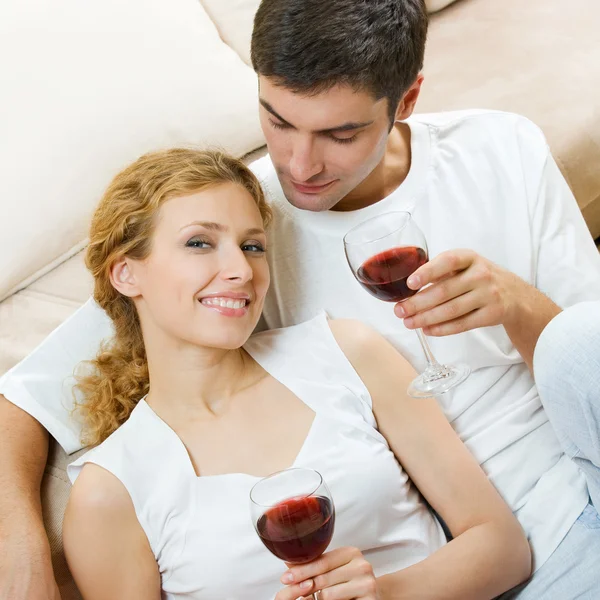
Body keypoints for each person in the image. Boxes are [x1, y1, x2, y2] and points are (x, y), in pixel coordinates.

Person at [0, 0, 599, 598]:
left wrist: (519, 307)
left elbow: (586, 359)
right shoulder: (243, 215)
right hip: (523, 554)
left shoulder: (501, 147)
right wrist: (22, 566)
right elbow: (20, 402)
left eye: (341, 134)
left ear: (406, 101)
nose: (300, 164)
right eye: (278, 122)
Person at [59, 147, 531, 599]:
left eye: (252, 246)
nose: (240, 270)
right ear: (126, 274)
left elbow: (503, 548)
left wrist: (384, 594)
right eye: (199, 242)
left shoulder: (346, 352)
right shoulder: (110, 492)